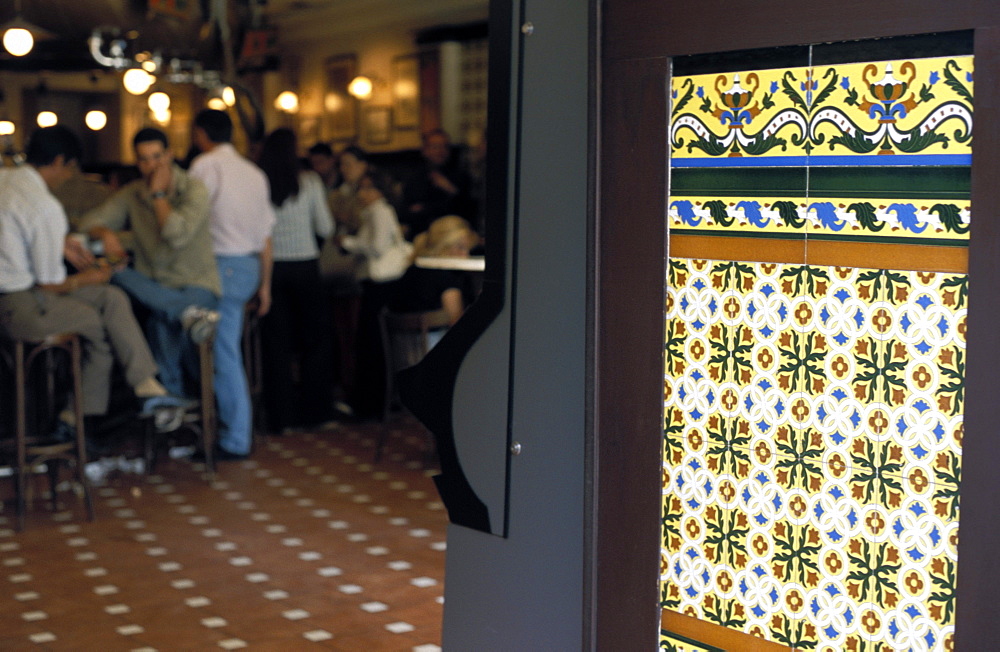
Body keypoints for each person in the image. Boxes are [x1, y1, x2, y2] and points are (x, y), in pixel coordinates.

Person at [0, 125, 168, 428]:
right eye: (71, 168)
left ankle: (145, 382)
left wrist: (61, 242)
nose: (70, 176)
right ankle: (76, 420)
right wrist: (90, 278)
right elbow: (49, 284)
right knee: (96, 323)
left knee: (112, 298)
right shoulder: (43, 206)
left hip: (20, 294)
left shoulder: (5, 178)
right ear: (61, 162)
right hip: (17, 305)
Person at [77, 127, 220, 400]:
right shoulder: (132, 193)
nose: (151, 166)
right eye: (143, 159)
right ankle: (187, 315)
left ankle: (171, 405)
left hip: (196, 285)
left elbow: (175, 236)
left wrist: (158, 196)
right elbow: (87, 223)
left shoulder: (194, 190)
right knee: (113, 270)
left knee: (160, 324)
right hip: (154, 286)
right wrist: (105, 233)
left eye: (157, 157)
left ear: (170, 155)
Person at [189, 109, 276, 460]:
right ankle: (224, 427)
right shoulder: (255, 173)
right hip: (250, 269)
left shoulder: (204, 166)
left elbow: (190, 223)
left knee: (221, 354)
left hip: (219, 268)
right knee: (223, 350)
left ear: (200, 134)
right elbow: (266, 238)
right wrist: (266, 286)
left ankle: (235, 437)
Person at [257, 128, 335, 433]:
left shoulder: (260, 184)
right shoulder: (310, 182)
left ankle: (281, 418)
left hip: (271, 269)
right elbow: (326, 227)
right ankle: (316, 413)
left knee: (276, 345)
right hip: (305, 267)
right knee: (315, 342)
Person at [337, 170, 409, 418]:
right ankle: (372, 402)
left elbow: (377, 248)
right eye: (362, 188)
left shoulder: (379, 211)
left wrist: (348, 243)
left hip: (381, 283)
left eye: (369, 188)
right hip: (377, 283)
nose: (364, 194)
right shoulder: (374, 212)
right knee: (371, 342)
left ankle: (372, 404)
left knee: (372, 343)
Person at [390, 215, 478, 349]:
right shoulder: (446, 277)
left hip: (401, 354)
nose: (465, 255)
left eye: (467, 249)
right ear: (444, 245)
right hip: (436, 356)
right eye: (460, 247)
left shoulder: (412, 270)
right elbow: (457, 326)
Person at [399, 129, 475, 240]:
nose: (441, 151)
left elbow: (465, 209)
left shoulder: (461, 176)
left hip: (452, 236)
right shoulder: (414, 178)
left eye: (445, 147)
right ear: (424, 150)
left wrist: (449, 189)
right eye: (435, 147)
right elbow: (406, 211)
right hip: (421, 237)